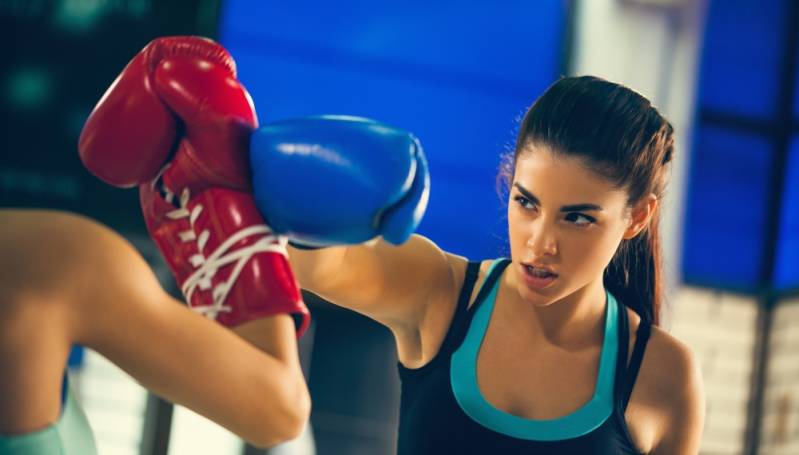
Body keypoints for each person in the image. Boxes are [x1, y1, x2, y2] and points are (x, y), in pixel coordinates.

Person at [282, 76, 706, 454]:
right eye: (527, 203)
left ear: (636, 217)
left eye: (577, 218)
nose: (540, 243)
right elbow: (313, 266)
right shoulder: (440, 292)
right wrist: (311, 177)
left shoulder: (664, 375)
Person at [0, 209, 310, 453]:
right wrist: (233, 211)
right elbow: (277, 413)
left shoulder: (51, 271)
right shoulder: (50, 271)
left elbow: (278, 411)